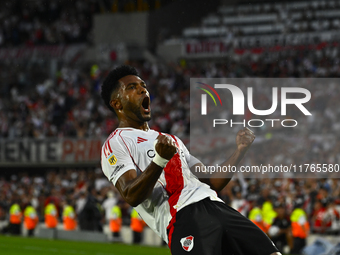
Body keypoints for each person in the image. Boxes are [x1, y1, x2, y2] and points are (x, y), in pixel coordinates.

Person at [100, 65, 281, 255]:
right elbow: (130, 194)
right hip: (183, 216)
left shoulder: (172, 140)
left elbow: (211, 182)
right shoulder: (116, 143)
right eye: (131, 87)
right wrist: (160, 160)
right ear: (117, 104)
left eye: (143, 85)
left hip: (217, 206)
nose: (142, 89)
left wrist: (239, 152)